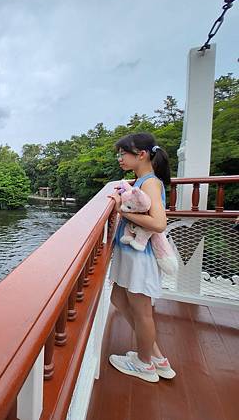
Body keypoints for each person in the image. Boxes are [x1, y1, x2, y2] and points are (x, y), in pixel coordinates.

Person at [107, 132, 176, 383]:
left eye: (123, 153)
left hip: (140, 256)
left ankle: (144, 363)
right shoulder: (141, 181)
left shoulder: (149, 183)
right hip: (132, 253)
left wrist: (121, 211)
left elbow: (158, 223)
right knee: (118, 297)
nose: (120, 158)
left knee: (142, 312)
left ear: (142, 154)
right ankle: (156, 356)